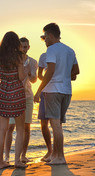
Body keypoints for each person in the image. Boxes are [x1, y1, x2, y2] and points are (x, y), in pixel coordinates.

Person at [34, 23, 80, 165]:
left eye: (45, 36)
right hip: (66, 91)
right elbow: (76, 71)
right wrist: (66, 75)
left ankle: (60, 157)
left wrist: (39, 90)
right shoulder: (70, 50)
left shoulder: (52, 49)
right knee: (58, 125)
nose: (44, 40)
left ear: (51, 35)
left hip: (53, 90)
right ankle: (57, 155)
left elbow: (51, 70)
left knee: (55, 125)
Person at [0, 31, 27, 169]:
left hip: (3, 92)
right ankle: (17, 161)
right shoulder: (19, 57)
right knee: (20, 129)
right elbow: (20, 77)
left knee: (3, 129)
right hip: (17, 92)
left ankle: (1, 162)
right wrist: (25, 69)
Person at [4, 37, 37, 163]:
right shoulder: (13, 61)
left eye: (25, 46)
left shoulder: (33, 62)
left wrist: (29, 72)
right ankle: (7, 157)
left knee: (26, 127)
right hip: (14, 96)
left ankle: (23, 156)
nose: (23, 49)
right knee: (10, 127)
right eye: (21, 46)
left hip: (27, 96)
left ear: (28, 47)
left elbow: (34, 80)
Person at [37, 52, 52, 162]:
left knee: (56, 122)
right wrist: (47, 80)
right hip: (44, 89)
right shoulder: (43, 56)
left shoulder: (61, 53)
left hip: (56, 90)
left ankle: (56, 151)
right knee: (43, 123)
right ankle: (50, 150)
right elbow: (39, 75)